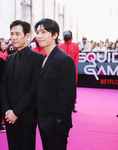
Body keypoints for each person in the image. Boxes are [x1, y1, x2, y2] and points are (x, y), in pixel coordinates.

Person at [0, 20, 44, 150]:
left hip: (27, 115)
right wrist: (7, 110)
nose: (13, 37)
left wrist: (16, 112)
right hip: (9, 116)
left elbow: (34, 88)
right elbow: (3, 85)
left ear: (27, 36)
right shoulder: (9, 58)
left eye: (18, 34)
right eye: (12, 34)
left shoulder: (38, 58)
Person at [35, 18, 76, 150]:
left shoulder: (64, 60)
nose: (39, 36)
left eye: (44, 32)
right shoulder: (44, 58)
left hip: (56, 124)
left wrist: (58, 122)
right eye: (37, 32)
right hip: (43, 121)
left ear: (55, 35)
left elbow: (68, 95)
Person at [59, 30, 79, 112]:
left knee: (72, 88)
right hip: (61, 71)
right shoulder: (60, 46)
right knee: (61, 87)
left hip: (72, 71)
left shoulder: (75, 46)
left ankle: (72, 104)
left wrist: (72, 68)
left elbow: (76, 58)